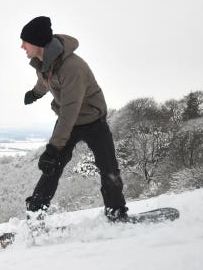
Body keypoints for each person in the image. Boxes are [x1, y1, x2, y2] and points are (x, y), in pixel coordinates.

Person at [20, 16, 128, 221]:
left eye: (25, 41)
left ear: (38, 43)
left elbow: (70, 110)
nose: (22, 46)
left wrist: (53, 147)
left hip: (93, 120)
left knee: (109, 169)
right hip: (69, 121)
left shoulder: (72, 67)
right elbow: (46, 81)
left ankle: (116, 211)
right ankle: (35, 214)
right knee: (52, 168)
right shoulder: (45, 62)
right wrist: (35, 93)